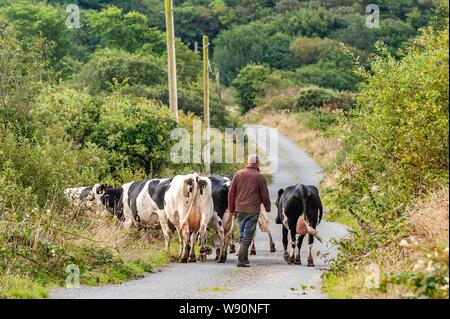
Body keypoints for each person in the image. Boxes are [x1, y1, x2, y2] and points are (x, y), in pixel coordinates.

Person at [228, 154, 271, 267]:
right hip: (252, 210)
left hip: (239, 210)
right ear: (257, 163)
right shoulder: (259, 177)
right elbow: (265, 196)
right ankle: (241, 260)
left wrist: (231, 208)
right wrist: (267, 207)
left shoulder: (238, 174)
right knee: (247, 236)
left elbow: (231, 193)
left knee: (243, 235)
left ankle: (244, 259)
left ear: (248, 163)